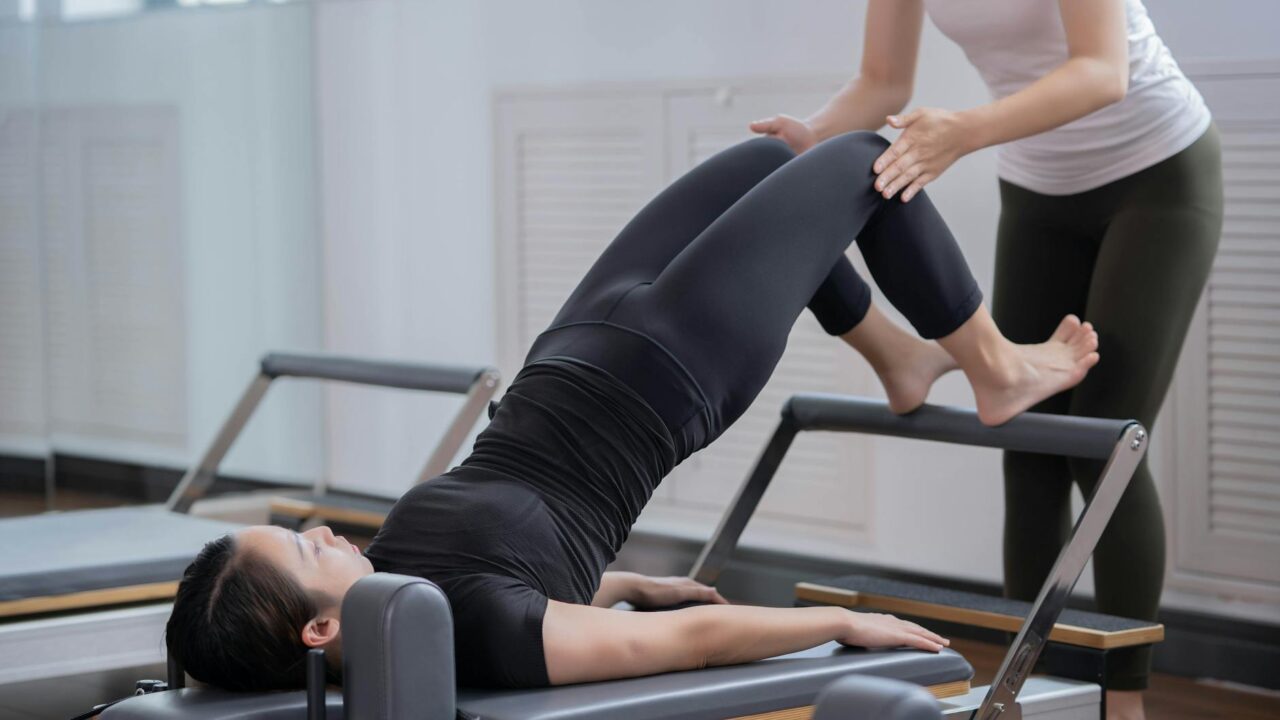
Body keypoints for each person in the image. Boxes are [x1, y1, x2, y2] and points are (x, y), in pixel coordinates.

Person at [165, 131, 1098, 692]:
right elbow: (682, 641)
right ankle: (994, 371)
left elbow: (539, 579)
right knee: (872, 161)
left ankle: (899, 358)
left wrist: (618, 585)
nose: (323, 531)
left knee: (774, 157)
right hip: (675, 372)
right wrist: (836, 624)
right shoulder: (480, 633)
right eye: (303, 551)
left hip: (582, 337)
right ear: (317, 630)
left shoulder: (406, 588)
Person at [748, 3, 1221, 717]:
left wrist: (963, 132)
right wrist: (813, 135)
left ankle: (1123, 703)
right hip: (1037, 189)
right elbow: (881, 81)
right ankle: (1030, 691)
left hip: (1154, 170)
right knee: (1026, 442)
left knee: (1104, 442)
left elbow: (1102, 72)